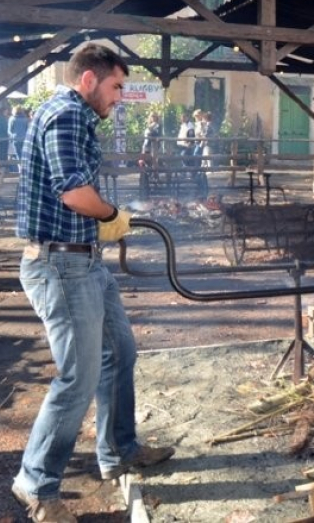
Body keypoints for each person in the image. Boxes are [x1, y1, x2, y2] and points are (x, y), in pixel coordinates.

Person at [12, 43, 174, 522]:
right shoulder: (67, 115)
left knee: (119, 351)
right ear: (88, 80)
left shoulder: (69, 114)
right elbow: (75, 193)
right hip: (61, 267)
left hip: (84, 263)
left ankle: (119, 451)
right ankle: (36, 484)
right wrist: (112, 215)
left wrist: (105, 223)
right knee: (77, 377)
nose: (119, 96)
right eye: (116, 86)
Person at [8, 105, 29, 172]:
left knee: (17, 154)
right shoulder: (25, 119)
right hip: (25, 139)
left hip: (16, 139)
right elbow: (27, 129)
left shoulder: (12, 119)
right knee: (24, 153)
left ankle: (20, 169)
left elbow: (10, 130)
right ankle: (25, 168)